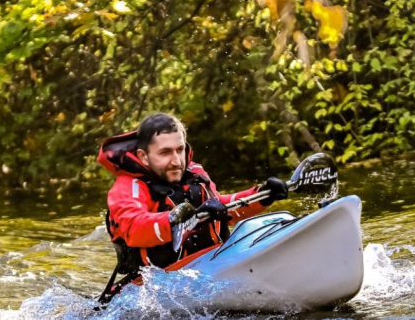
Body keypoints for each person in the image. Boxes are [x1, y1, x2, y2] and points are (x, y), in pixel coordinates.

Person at [96, 113, 288, 301]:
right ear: (143, 156)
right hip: (154, 288)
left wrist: (261, 196)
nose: (176, 161)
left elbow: (222, 208)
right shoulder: (127, 187)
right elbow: (134, 228)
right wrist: (179, 219)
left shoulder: (195, 173)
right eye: (165, 152)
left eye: (179, 150)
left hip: (210, 266)